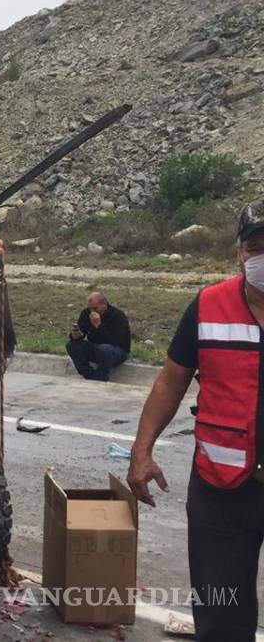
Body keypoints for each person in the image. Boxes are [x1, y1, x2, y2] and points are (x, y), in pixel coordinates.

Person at [127, 200, 264, 641]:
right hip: (222, 491)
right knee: (222, 613)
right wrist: (141, 451)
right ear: (239, 254)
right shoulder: (208, 307)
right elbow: (170, 383)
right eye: (257, 247)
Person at [66, 291, 131, 381]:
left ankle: (101, 377)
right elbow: (81, 332)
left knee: (104, 349)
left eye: (95, 308)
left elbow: (114, 341)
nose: (92, 312)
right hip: (95, 348)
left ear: (104, 305)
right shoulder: (86, 313)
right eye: (90, 309)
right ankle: (89, 374)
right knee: (72, 345)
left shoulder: (117, 316)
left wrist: (98, 326)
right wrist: (75, 335)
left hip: (117, 351)